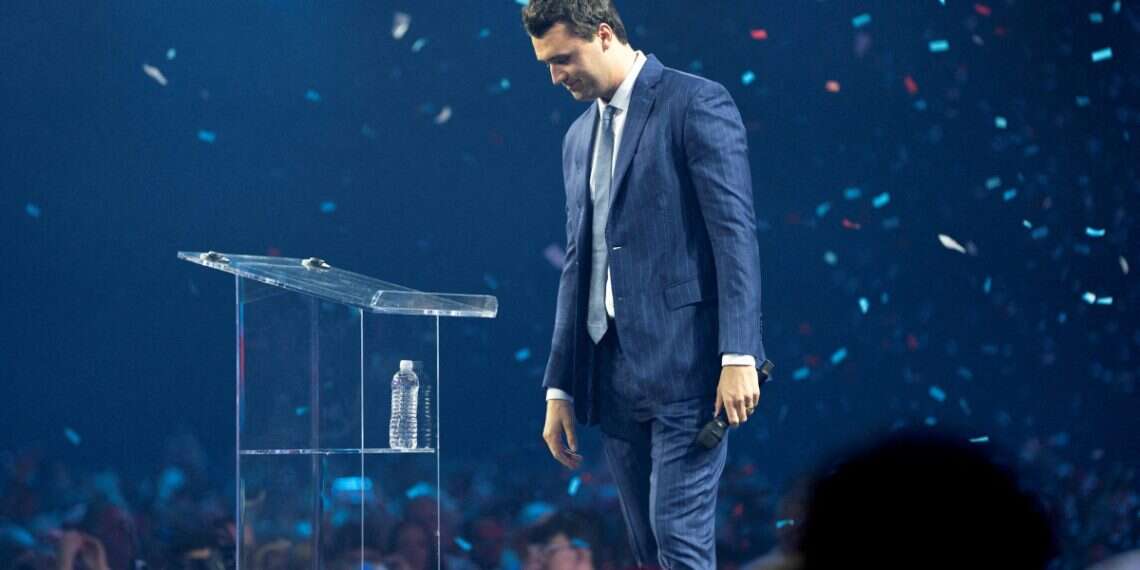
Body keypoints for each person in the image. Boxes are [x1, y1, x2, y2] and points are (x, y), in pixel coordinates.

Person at [523, 1, 769, 567]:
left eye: (562, 59)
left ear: (604, 35)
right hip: (613, 374)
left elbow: (734, 237)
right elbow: (577, 265)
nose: (555, 76)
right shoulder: (577, 138)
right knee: (648, 549)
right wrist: (558, 386)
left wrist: (740, 355)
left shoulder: (695, 102)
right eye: (546, 64)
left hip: (690, 369)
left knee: (677, 538)